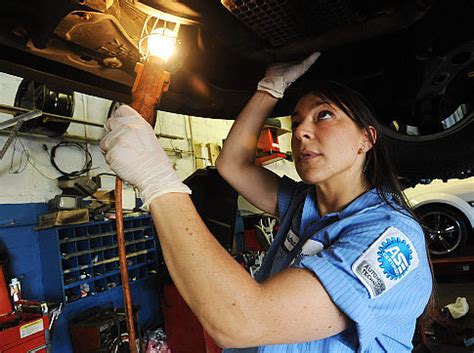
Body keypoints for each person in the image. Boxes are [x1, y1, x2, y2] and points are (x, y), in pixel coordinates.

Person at [100, 52, 433, 352]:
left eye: (324, 116)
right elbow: (233, 165)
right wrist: (269, 90)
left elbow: (244, 321)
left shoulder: (390, 236)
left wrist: (157, 178)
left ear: (366, 138)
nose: (301, 131)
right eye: (297, 121)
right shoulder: (304, 204)